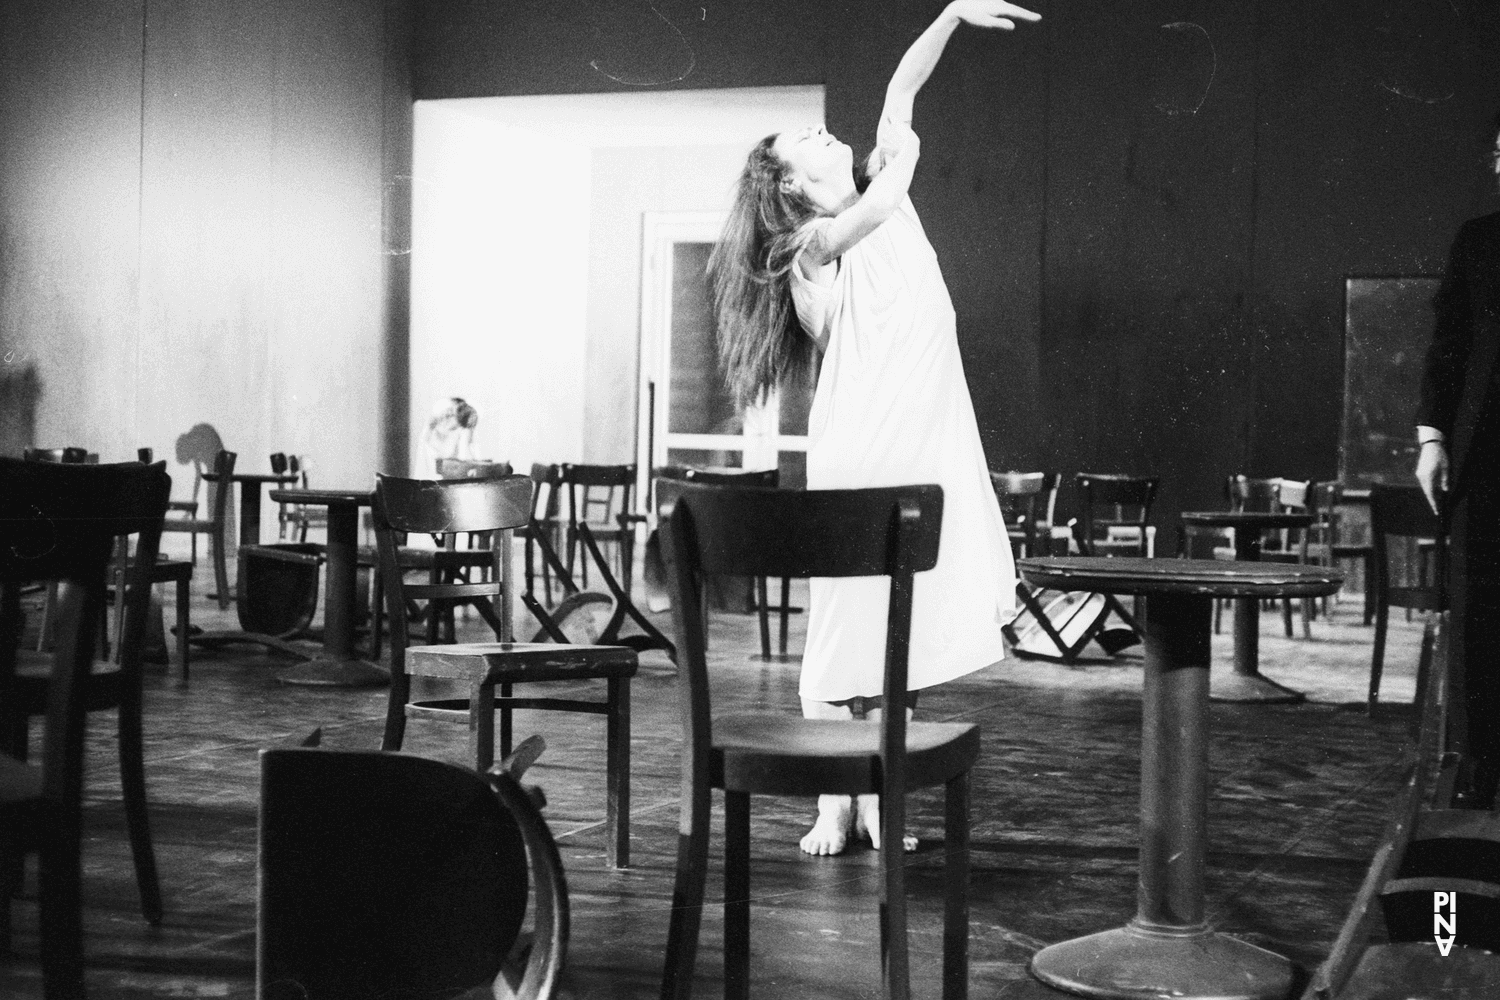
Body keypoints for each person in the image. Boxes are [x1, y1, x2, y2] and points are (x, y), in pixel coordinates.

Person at [708, 1, 1039, 854]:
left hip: (924, 444)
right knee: (841, 633)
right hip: (865, 451)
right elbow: (879, 202)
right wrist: (906, 159)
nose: (826, 134)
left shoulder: (888, 198)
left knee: (905, 634)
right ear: (787, 183)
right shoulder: (813, 245)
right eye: (808, 141)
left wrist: (953, 13)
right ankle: (831, 801)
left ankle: (882, 797)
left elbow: (902, 87)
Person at [1414, 117, 1500, 809]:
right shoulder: (1479, 240)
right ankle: (1481, 765)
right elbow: (1446, 345)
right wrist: (1431, 440)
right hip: (1485, 462)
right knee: (1480, 616)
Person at [423, 396, 479, 474]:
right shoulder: (431, 434)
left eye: (451, 414)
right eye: (447, 412)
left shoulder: (461, 433)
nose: (446, 415)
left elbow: (465, 457)